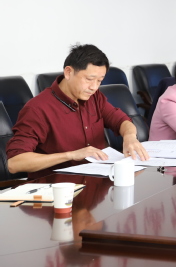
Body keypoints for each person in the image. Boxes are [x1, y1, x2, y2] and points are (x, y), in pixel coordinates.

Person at [6, 44, 149, 179]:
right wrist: (70, 155)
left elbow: (122, 120)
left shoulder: (94, 97)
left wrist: (130, 136)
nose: (94, 87)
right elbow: (15, 163)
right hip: (60, 187)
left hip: (98, 182)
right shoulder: (37, 109)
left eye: (99, 81)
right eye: (89, 79)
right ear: (68, 72)